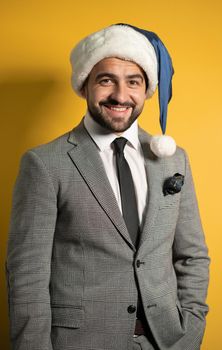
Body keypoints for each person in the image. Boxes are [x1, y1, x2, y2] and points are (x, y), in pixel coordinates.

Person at [6, 24, 210, 350]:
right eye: (106, 80)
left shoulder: (174, 160)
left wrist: (191, 328)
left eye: (133, 82)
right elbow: (27, 274)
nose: (120, 95)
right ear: (84, 85)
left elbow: (192, 256)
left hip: (167, 341)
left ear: (147, 90)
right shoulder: (44, 164)